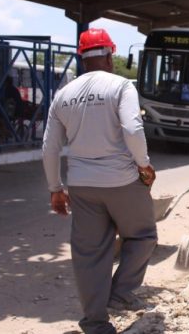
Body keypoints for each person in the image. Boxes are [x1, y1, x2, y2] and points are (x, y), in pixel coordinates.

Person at [42, 28, 157, 334]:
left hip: (81, 184)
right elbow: (133, 129)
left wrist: (55, 188)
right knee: (142, 236)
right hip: (122, 180)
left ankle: (95, 325)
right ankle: (119, 294)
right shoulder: (121, 86)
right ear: (109, 55)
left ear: (82, 59)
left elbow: (50, 148)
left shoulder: (63, 95)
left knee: (89, 255)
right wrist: (144, 165)